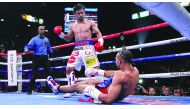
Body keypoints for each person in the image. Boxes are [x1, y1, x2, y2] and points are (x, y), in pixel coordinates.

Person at [47, 49, 139, 104]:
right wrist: (97, 71)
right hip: (112, 89)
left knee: (78, 86)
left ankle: (57, 88)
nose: (115, 61)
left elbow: (109, 99)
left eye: (115, 59)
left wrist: (93, 92)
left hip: (106, 94)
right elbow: (116, 73)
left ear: (119, 61)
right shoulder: (135, 71)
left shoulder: (120, 76)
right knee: (93, 80)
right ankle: (73, 82)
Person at [54, 4, 104, 97]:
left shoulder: (90, 23)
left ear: (84, 12)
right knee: (68, 68)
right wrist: (60, 34)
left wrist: (100, 42)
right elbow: (68, 38)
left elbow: (98, 33)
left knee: (92, 71)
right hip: (77, 49)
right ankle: (71, 89)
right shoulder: (72, 25)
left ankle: (94, 90)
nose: (81, 14)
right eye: (78, 13)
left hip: (88, 48)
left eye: (82, 12)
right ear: (75, 14)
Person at [24, 26, 54, 95]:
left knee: (49, 73)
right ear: (38, 30)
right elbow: (28, 46)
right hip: (36, 58)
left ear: (44, 31)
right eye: (40, 29)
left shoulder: (47, 39)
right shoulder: (34, 39)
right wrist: (26, 50)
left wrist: (52, 52)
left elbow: (49, 49)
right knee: (34, 75)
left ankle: (53, 89)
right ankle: (29, 90)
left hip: (45, 58)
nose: (41, 30)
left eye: (42, 29)